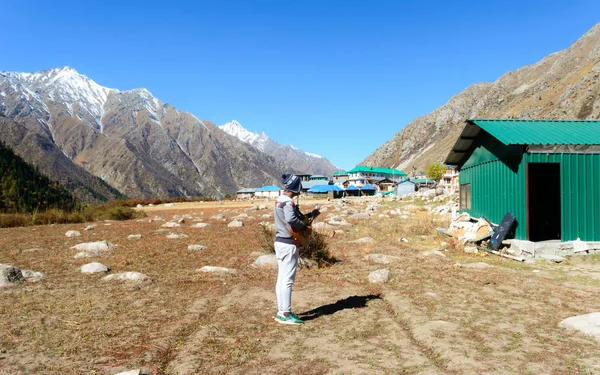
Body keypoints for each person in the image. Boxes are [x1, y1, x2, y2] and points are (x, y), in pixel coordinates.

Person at [273, 174, 318, 325]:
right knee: (287, 280)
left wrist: (311, 215)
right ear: (296, 187)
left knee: (281, 278)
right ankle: (286, 313)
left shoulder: (279, 200)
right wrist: (305, 227)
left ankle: (281, 311)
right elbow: (292, 219)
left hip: (280, 242)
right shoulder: (288, 202)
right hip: (288, 243)